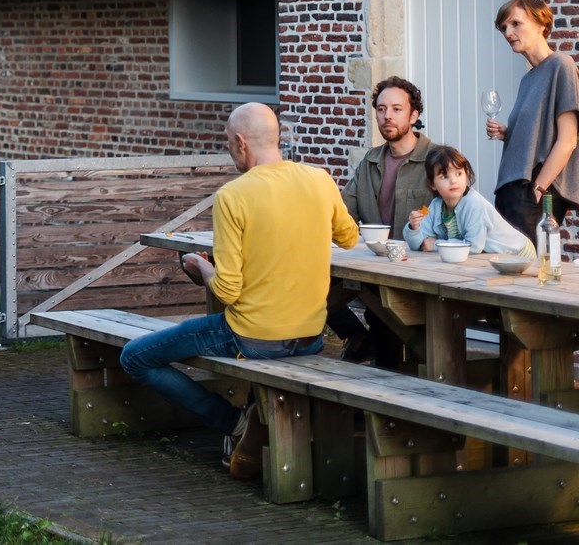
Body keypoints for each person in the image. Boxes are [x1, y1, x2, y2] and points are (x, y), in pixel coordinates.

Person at [120, 103, 358, 479]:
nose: (230, 150)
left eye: (229, 142)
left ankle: (233, 421)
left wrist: (200, 266)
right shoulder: (319, 179)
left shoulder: (233, 195)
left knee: (135, 357)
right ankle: (250, 421)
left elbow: (228, 291)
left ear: (242, 142)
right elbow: (349, 236)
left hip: (254, 336)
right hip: (310, 335)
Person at [328, 77, 433, 365]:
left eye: (397, 109)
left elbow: (457, 217)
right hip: (372, 270)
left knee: (388, 330)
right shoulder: (369, 161)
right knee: (304, 282)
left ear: (414, 115)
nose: (387, 116)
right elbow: (342, 213)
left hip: (420, 275)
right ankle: (357, 336)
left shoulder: (437, 160)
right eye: (381, 108)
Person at [485, 0, 579, 242]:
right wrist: (508, 133)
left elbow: (568, 140)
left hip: (533, 188)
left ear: (540, 24)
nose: (508, 32)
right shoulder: (528, 79)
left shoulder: (562, 65)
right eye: (504, 27)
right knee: (509, 265)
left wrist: (538, 189)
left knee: (532, 268)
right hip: (510, 186)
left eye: (516, 23)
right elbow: (539, 134)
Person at [404, 144, 534, 257]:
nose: (453, 180)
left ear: (467, 174)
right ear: (432, 184)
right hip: (488, 258)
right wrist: (414, 228)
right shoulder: (436, 206)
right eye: (444, 176)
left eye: (458, 173)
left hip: (517, 254)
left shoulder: (474, 204)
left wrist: (436, 244)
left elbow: (473, 247)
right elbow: (420, 244)